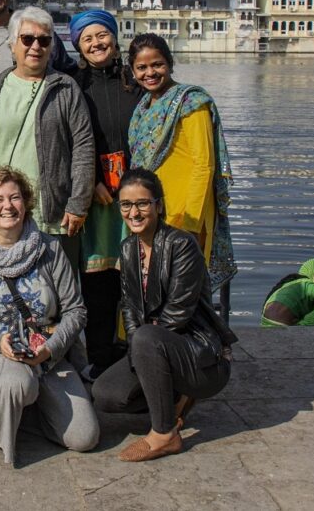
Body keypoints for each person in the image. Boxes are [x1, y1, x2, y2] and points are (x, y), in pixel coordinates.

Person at [0, 167, 99, 464]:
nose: (8, 206)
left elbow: (76, 310)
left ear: (26, 202)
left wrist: (51, 347)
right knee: (16, 383)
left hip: (48, 352)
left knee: (84, 437)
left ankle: (27, 410)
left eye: (15, 198)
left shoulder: (50, 249)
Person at [91, 168, 237, 462]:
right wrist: (138, 352)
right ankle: (173, 398)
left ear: (158, 205)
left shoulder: (182, 245)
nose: (134, 212)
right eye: (126, 204)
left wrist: (144, 342)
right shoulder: (129, 248)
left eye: (143, 203)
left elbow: (177, 315)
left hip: (201, 355)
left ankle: (165, 433)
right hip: (155, 346)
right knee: (105, 393)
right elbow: (131, 309)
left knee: (145, 336)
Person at [0, 6, 94, 272]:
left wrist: (78, 204)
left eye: (44, 40)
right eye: (27, 39)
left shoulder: (65, 88)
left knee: (58, 294)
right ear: (13, 44)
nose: (36, 46)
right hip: (3, 212)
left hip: (53, 214)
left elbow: (83, 148)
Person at [127, 33, 237, 289]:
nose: (150, 73)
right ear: (133, 71)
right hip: (149, 211)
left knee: (179, 292)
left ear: (170, 63)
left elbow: (204, 165)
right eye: (141, 68)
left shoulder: (192, 102)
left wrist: (189, 225)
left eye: (157, 64)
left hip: (185, 214)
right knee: (147, 290)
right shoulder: (142, 108)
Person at [69, 10, 142, 378]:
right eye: (88, 39)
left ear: (115, 38)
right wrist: (91, 180)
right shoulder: (73, 84)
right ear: (79, 46)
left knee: (136, 278)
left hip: (138, 196)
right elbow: (68, 138)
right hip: (96, 197)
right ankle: (98, 357)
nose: (97, 44)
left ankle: (139, 351)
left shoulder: (135, 81)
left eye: (103, 36)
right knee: (98, 280)